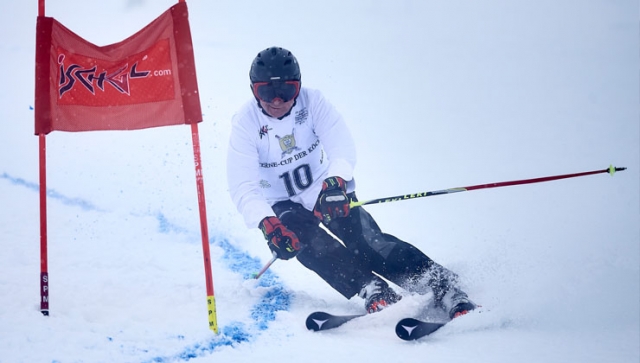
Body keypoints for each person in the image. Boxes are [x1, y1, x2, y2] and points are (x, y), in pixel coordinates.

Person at [226, 46, 476, 318]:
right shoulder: (245, 124)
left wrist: (336, 183)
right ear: (253, 90)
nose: (276, 100)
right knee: (307, 245)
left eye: (287, 91)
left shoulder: (313, 103)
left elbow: (341, 147)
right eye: (266, 92)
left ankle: (441, 285)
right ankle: (371, 287)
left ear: (298, 88)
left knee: (367, 241)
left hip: (324, 189)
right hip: (282, 201)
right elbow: (243, 186)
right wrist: (267, 223)